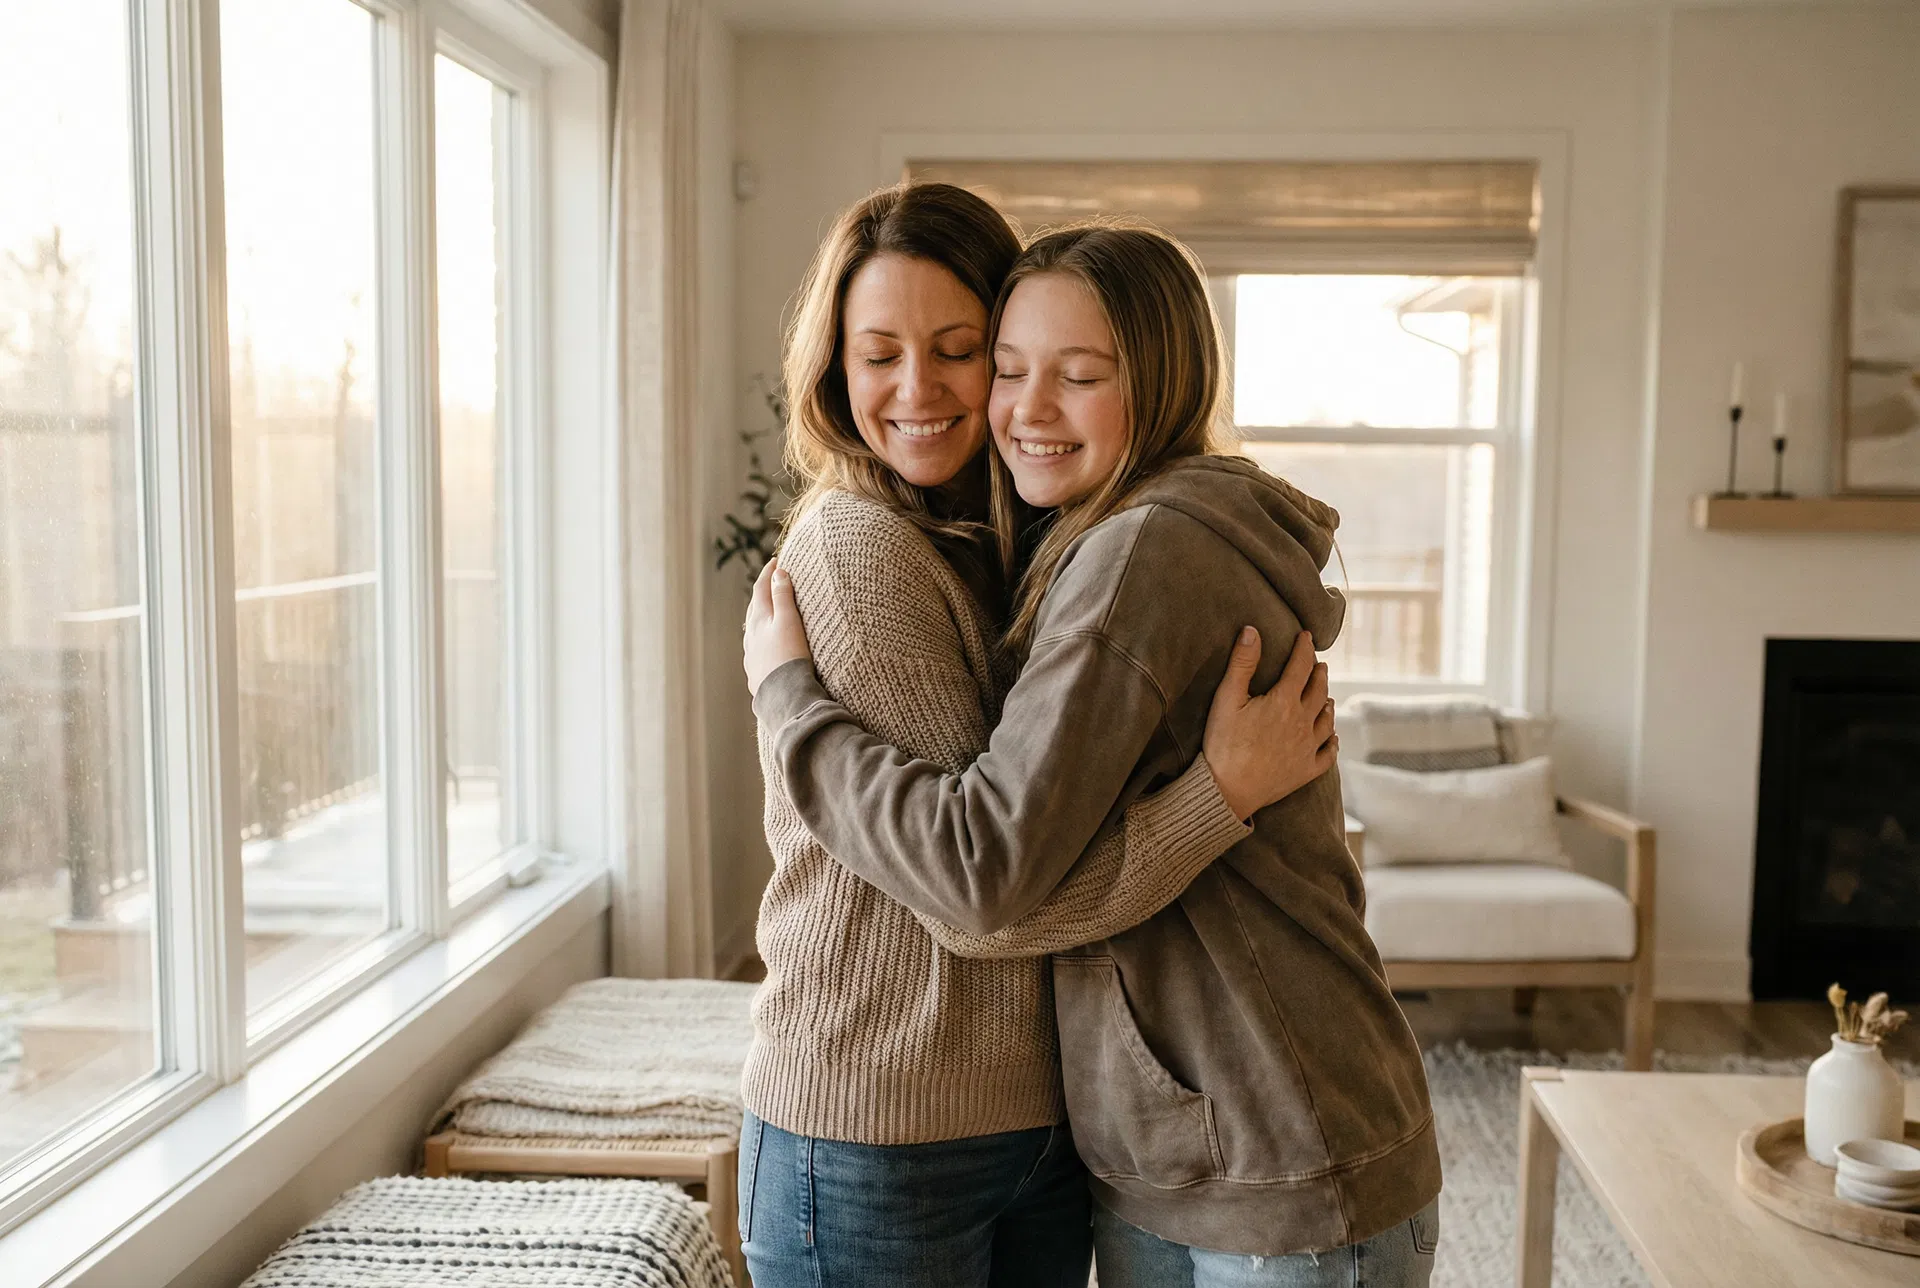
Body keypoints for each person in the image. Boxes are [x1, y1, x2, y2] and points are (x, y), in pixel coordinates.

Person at [746, 222, 1441, 1288]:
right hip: (956, 1128)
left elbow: (983, 872)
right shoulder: (899, 543)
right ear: (834, 371)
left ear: (1157, 385)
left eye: (1076, 374)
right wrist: (1213, 798)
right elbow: (986, 883)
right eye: (1014, 368)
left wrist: (790, 704)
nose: (1021, 405)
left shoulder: (1126, 551)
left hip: (1258, 1144)